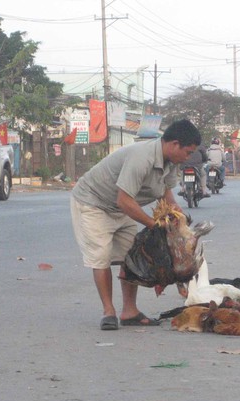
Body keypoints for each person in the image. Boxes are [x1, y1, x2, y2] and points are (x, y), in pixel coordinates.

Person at [70, 119, 201, 330]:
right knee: (101, 256)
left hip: (124, 207)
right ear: (175, 144)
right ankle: (109, 312)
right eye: (187, 152)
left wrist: (178, 217)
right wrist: (153, 225)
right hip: (93, 203)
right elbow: (124, 200)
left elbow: (166, 193)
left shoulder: (172, 164)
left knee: (130, 256)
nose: (188, 158)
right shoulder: (143, 157)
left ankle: (129, 311)